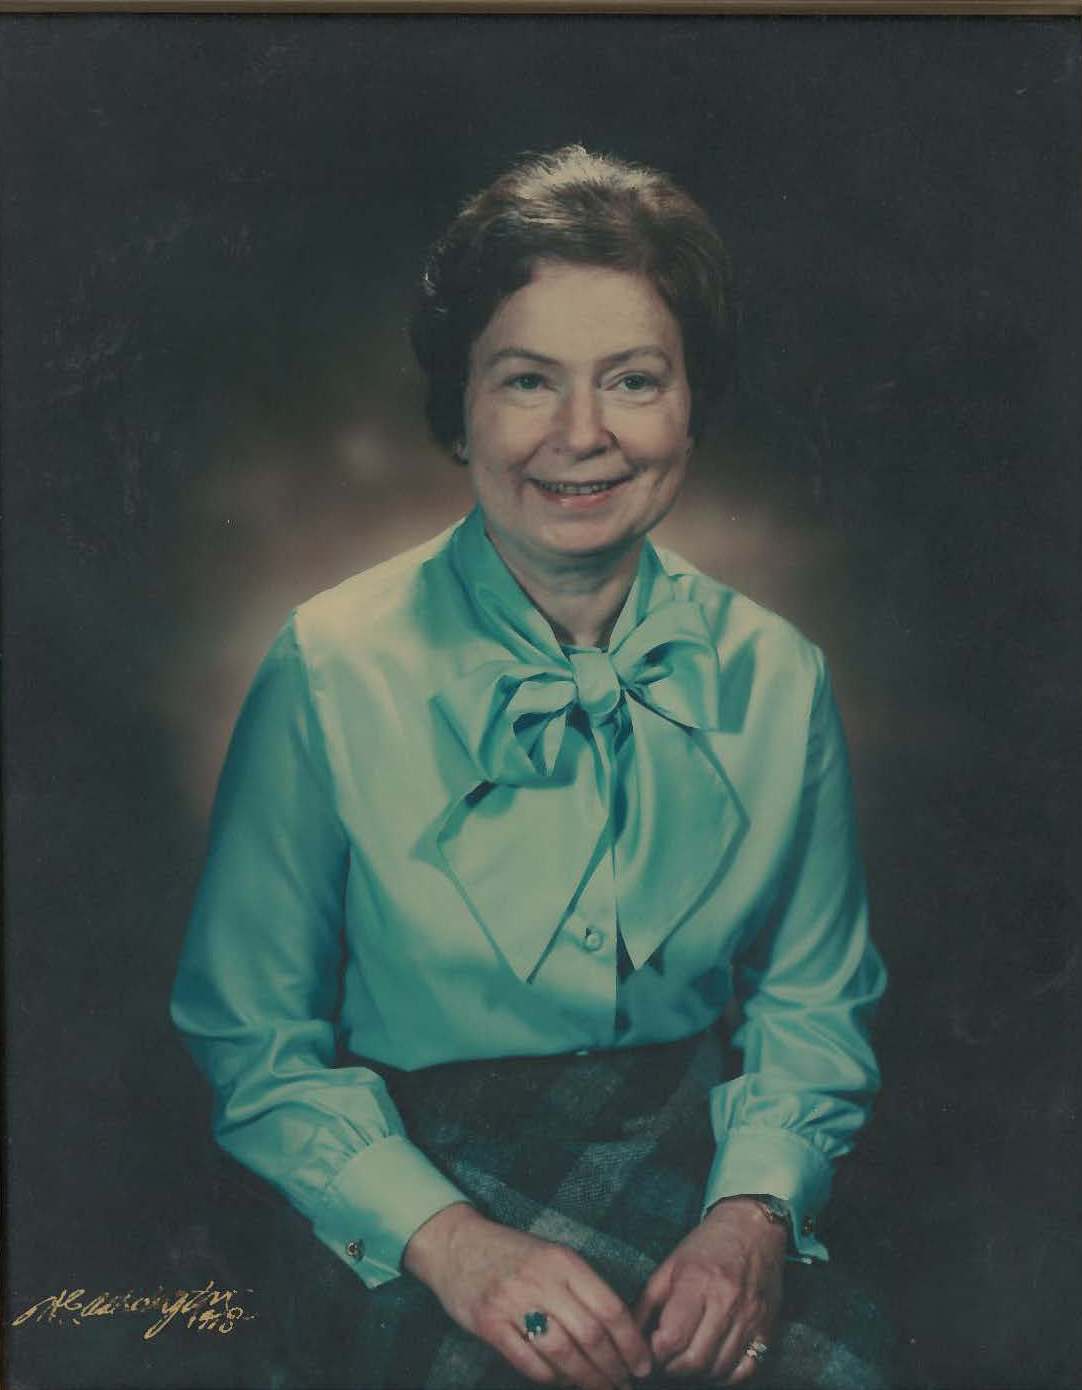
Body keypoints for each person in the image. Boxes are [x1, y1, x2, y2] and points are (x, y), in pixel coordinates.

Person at [171, 146, 889, 1390]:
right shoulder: (330, 665)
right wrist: (449, 1244)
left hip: (692, 1163)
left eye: (632, 379)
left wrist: (754, 1213)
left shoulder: (779, 675)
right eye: (525, 380)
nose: (581, 434)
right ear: (457, 407)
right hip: (404, 1177)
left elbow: (811, 1005)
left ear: (690, 400)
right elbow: (253, 1041)